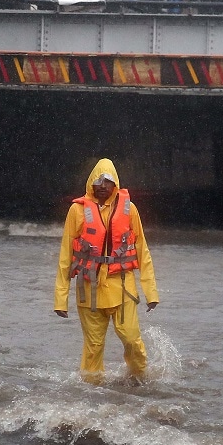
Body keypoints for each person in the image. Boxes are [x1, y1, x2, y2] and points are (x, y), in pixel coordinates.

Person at [54, 158, 159, 383]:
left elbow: (142, 250)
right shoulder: (77, 211)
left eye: (108, 180)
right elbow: (65, 256)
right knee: (93, 346)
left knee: (131, 338)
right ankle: (91, 389)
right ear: (91, 183)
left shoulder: (130, 210)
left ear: (115, 184)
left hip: (122, 287)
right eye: (98, 180)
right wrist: (60, 299)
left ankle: (140, 377)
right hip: (88, 288)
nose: (102, 185)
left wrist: (151, 292)